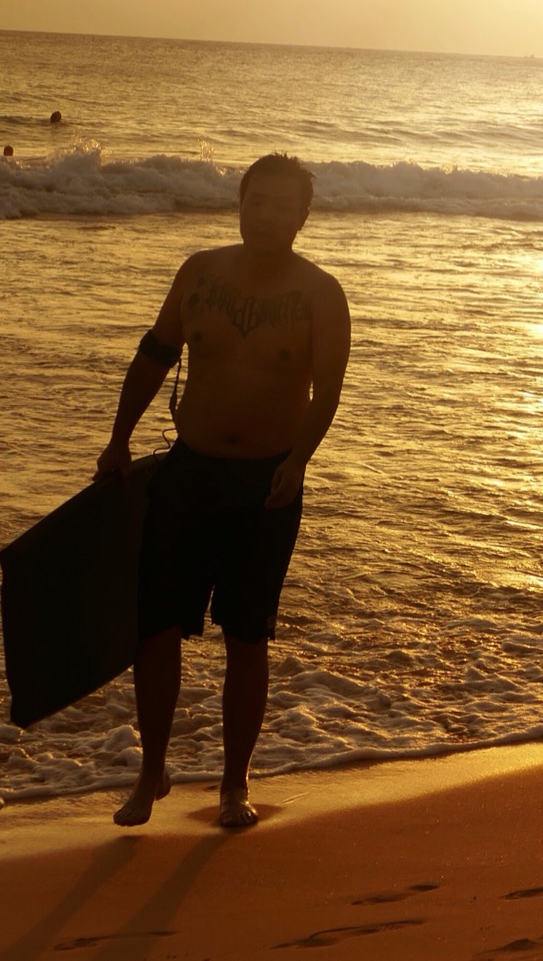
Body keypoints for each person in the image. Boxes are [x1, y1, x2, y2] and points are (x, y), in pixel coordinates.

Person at [93, 152, 350, 828]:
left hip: (266, 485)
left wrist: (299, 459)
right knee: (155, 628)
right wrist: (119, 439)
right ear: (239, 203)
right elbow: (155, 353)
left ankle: (234, 784)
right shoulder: (199, 272)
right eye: (253, 199)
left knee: (246, 635)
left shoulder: (322, 294)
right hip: (189, 472)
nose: (263, 214)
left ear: (302, 216)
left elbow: (328, 391)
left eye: (279, 204)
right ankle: (152, 770)